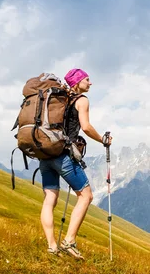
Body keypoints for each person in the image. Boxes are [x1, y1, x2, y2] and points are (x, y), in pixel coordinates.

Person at [39, 68, 112, 259]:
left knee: (50, 199)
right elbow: (86, 127)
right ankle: (69, 241)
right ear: (78, 82)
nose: (90, 83)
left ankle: (52, 246)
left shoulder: (58, 99)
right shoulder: (81, 100)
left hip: (45, 154)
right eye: (87, 79)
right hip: (63, 155)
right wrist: (102, 140)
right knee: (86, 196)